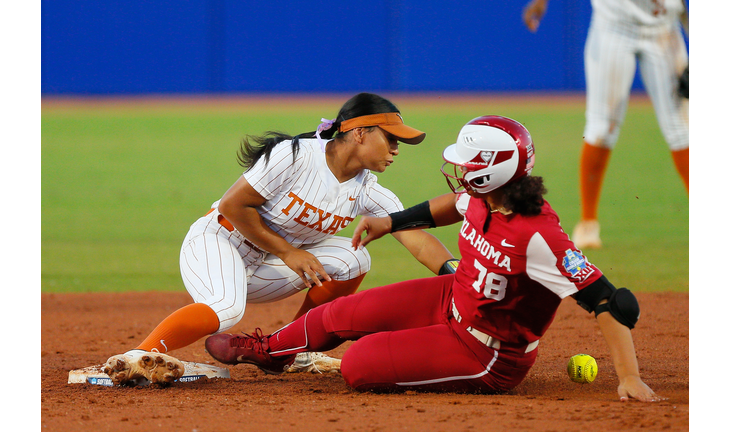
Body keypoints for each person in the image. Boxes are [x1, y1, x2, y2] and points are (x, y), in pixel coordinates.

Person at [204, 116, 663, 402]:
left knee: (359, 365)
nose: (460, 170)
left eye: (469, 163)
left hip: (487, 350)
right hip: (454, 296)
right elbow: (450, 206)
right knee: (337, 314)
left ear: (493, 169)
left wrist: (629, 376)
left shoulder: (539, 237)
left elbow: (607, 300)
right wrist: (391, 221)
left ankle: (416, 351)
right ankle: (270, 352)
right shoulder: (486, 196)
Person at [102, 92, 457, 385]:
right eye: (391, 138)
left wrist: (456, 273)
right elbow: (232, 205)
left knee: (354, 259)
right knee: (226, 308)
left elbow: (417, 240)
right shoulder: (296, 156)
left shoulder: (368, 191)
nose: (396, 148)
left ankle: (290, 348)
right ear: (360, 132)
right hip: (219, 242)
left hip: (266, 265)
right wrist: (288, 252)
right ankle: (136, 357)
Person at [522, 0, 689, 248]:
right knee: (601, 128)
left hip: (664, 27)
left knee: (683, 129)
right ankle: (588, 222)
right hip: (615, 26)